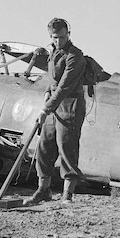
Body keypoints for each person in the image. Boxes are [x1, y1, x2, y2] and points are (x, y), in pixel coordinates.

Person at [23, 17, 87, 206]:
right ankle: (43, 190)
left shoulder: (75, 55)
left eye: (60, 37)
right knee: (44, 147)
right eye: (54, 37)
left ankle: (67, 195)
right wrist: (45, 96)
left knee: (67, 147)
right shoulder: (53, 53)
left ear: (68, 34)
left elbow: (64, 87)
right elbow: (51, 81)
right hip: (53, 106)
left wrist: (46, 108)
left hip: (70, 106)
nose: (58, 41)